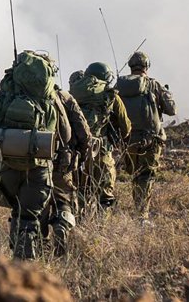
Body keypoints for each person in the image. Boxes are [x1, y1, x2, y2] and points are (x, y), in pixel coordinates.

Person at [0, 50, 71, 260]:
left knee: (17, 214)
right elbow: (66, 134)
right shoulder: (50, 97)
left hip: (6, 165)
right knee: (30, 216)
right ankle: (28, 266)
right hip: (39, 168)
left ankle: (20, 262)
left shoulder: (3, 96)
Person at [117, 51, 177, 219]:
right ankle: (141, 215)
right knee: (146, 176)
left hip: (127, 139)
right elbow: (172, 110)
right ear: (147, 67)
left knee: (135, 174)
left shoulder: (119, 86)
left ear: (130, 67)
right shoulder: (154, 85)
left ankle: (136, 209)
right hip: (150, 139)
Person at [69, 62, 131, 211]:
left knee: (80, 192)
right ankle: (101, 230)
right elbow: (126, 126)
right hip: (101, 151)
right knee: (105, 196)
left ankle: (80, 227)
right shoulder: (111, 95)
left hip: (76, 151)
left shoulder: (73, 94)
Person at [43, 81, 92, 255]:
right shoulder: (64, 97)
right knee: (63, 200)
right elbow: (84, 133)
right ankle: (61, 228)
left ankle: (38, 244)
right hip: (60, 163)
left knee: (33, 203)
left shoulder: (11, 95)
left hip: (23, 163)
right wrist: (81, 155)